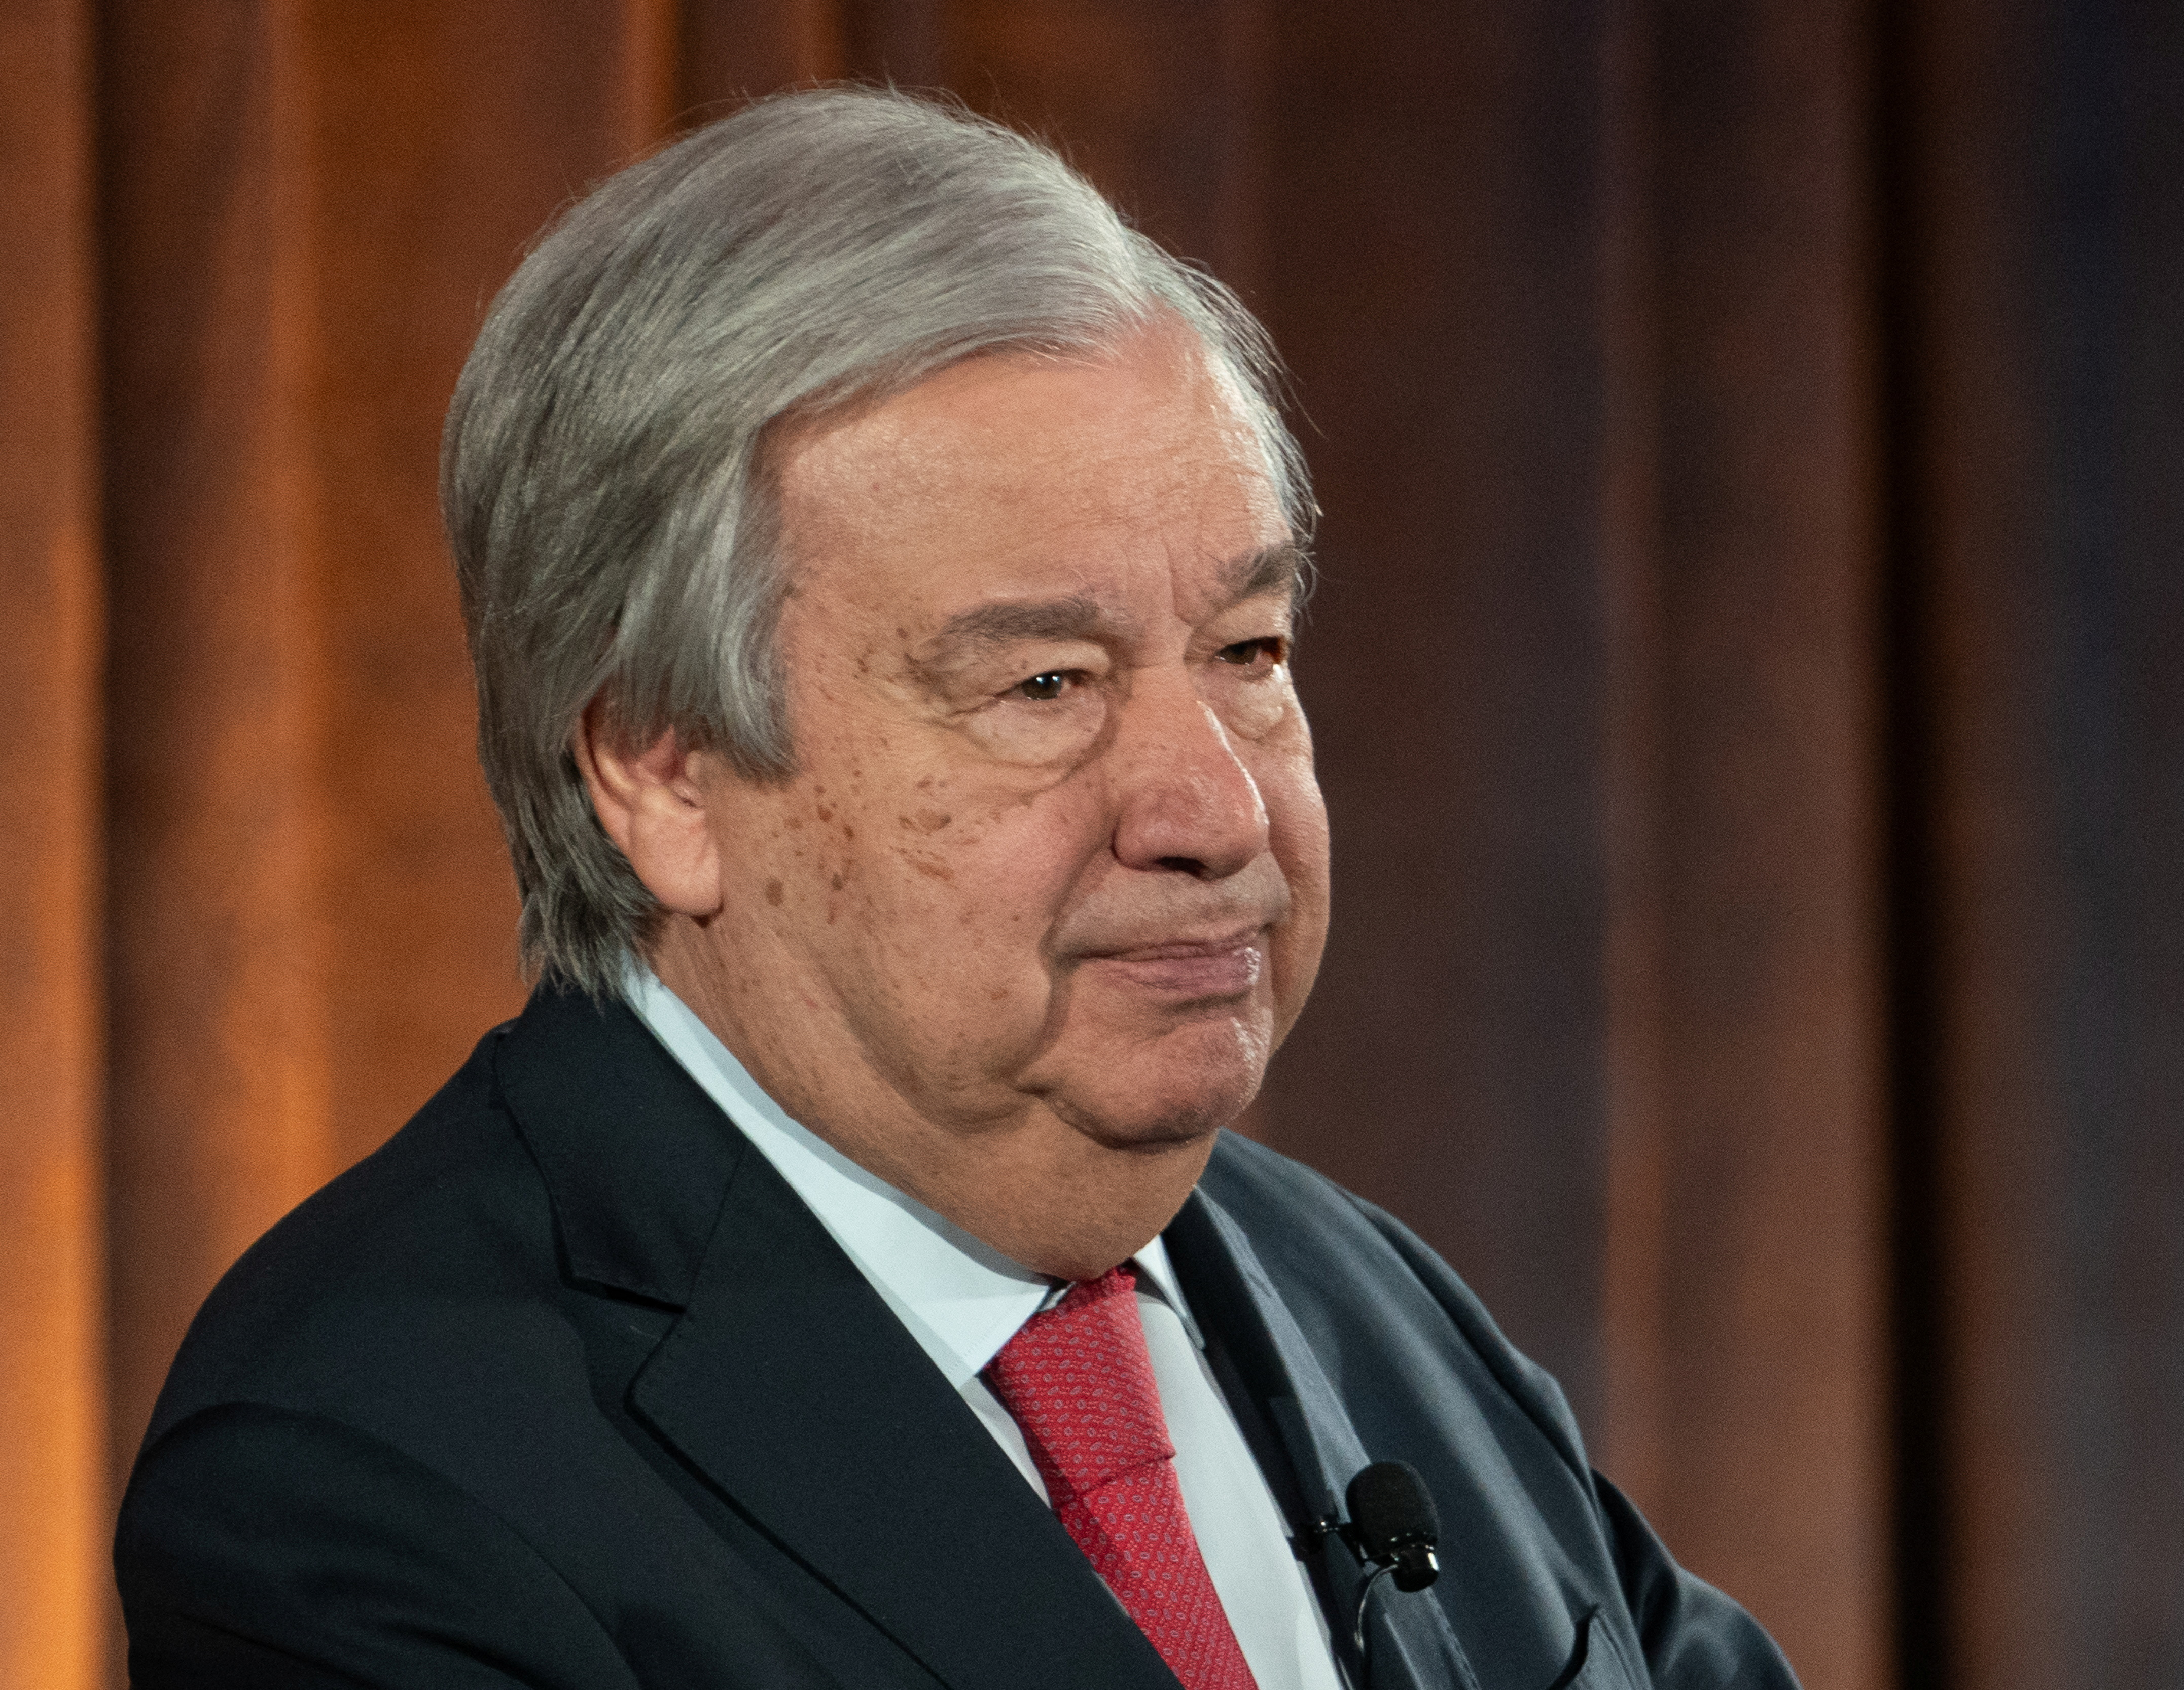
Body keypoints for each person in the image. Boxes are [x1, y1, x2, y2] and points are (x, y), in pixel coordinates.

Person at [115, 88, 1800, 1690]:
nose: (1216, 810)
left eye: (1248, 651)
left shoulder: (1365, 1295)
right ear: (665, 771)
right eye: (1044, 687)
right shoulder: (367, 1480)